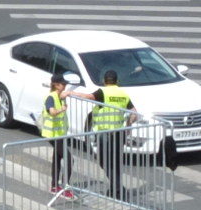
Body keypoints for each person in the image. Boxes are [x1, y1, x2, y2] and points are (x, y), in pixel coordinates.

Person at [40, 73, 85, 200]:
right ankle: (65, 187)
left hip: (59, 135)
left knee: (57, 158)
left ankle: (54, 186)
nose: (65, 86)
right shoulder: (51, 97)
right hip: (53, 135)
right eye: (63, 84)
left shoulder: (59, 95)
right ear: (56, 85)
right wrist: (62, 110)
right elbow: (52, 111)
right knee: (69, 159)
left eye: (65, 84)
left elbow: (67, 94)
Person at [91, 69, 134, 199]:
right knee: (115, 162)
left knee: (104, 161)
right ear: (117, 81)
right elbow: (134, 112)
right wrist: (128, 125)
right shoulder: (123, 94)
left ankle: (118, 189)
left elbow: (87, 97)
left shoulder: (102, 92)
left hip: (105, 132)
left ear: (105, 81)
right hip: (119, 133)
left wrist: (70, 93)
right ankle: (117, 189)